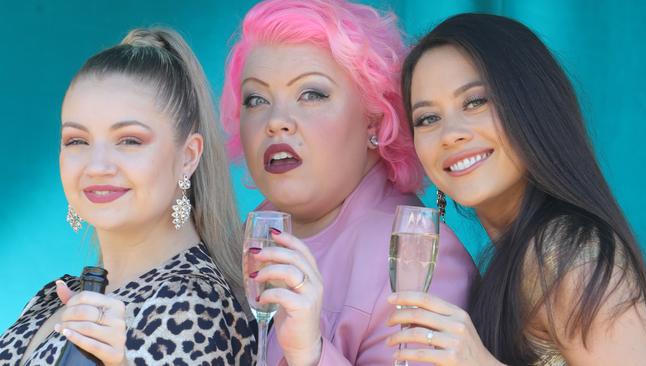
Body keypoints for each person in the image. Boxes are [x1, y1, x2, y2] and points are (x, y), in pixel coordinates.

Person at [219, 1, 476, 365]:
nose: (276, 121)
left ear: (374, 119)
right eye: (256, 99)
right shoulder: (245, 241)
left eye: (312, 94)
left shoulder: (417, 259)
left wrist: (312, 354)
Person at [388, 13, 646, 365]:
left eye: (476, 101)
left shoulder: (566, 252)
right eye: (428, 118)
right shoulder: (515, 257)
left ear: (531, 107)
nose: (451, 133)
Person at [0, 28, 255, 365]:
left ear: (188, 156)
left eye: (130, 140)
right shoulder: (54, 296)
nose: (98, 165)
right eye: (77, 140)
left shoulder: (190, 303)